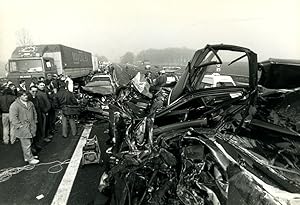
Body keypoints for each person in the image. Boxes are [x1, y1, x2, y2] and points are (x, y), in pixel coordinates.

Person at [9, 90, 39, 165]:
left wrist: (35, 121)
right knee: (26, 144)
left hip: (31, 126)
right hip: (23, 128)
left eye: (26, 95)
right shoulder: (14, 105)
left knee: (30, 142)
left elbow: (34, 112)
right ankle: (30, 159)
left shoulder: (30, 103)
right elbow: (13, 117)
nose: (26, 97)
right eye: (24, 95)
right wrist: (19, 125)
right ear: (19, 96)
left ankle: (28, 156)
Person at [28, 85, 42, 153]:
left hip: (37, 117)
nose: (34, 93)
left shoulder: (36, 97)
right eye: (33, 91)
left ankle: (36, 145)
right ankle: (32, 148)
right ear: (30, 91)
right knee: (31, 134)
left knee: (36, 133)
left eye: (36, 91)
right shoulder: (28, 99)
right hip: (30, 119)